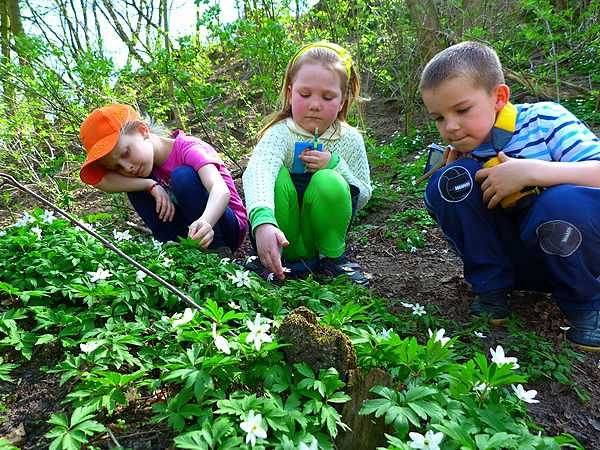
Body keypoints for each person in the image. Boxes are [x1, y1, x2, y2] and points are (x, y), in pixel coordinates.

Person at [420, 41, 600, 351]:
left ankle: (587, 304)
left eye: (462, 110)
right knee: (448, 183)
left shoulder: (544, 121)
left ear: (499, 97)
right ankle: (492, 290)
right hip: (516, 264)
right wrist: (446, 185)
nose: (450, 126)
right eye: (439, 117)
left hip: (570, 253)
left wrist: (533, 172)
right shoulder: (458, 154)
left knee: (560, 202)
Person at [242, 41, 372, 285]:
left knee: (328, 180)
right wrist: (262, 220)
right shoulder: (280, 133)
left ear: (342, 101)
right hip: (281, 235)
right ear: (290, 93)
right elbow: (259, 169)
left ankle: (332, 261)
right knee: (276, 174)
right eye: (305, 94)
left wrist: (335, 165)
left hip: (320, 240)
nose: (315, 104)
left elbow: (363, 194)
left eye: (328, 96)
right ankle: (270, 259)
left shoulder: (350, 140)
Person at [79, 103, 248, 253]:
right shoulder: (142, 169)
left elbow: (220, 190)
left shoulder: (187, 148)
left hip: (223, 225)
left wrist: (206, 221)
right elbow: (100, 181)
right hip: (190, 229)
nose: (127, 167)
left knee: (183, 176)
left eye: (126, 153)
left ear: (142, 130)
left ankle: (218, 252)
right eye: (116, 167)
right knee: (136, 187)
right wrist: (150, 185)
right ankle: (171, 251)